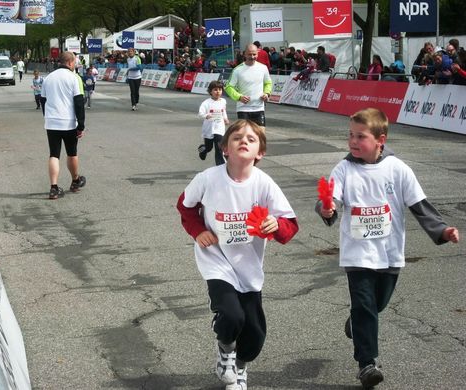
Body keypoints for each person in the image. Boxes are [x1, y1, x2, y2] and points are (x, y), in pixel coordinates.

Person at [315, 108, 460, 389]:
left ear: (381, 139)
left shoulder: (397, 169)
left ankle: (357, 324)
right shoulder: (344, 168)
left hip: (389, 253)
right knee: (365, 304)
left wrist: (442, 230)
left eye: (361, 136)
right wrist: (327, 208)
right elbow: (329, 200)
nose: (353, 142)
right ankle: (367, 363)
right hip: (357, 254)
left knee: (376, 304)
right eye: (350, 135)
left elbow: (420, 206)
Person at [177, 119, 299, 390]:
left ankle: (241, 365)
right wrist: (198, 231)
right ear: (225, 149)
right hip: (216, 260)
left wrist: (276, 225)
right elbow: (185, 207)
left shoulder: (264, 184)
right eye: (237, 138)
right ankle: (225, 348)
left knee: (255, 335)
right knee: (232, 316)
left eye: (251, 139)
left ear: (260, 153)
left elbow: (289, 225)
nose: (244, 141)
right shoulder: (208, 179)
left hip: (248, 266)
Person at [41, 51, 86, 200]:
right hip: (68, 122)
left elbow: (43, 100)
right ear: (70, 62)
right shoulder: (74, 78)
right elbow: (79, 102)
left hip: (52, 121)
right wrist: (81, 125)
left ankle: (53, 188)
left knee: (54, 154)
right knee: (71, 153)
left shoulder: (48, 78)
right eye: (74, 62)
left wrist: (47, 116)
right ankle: (75, 180)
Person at [225, 44, 272, 130]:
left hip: (259, 108)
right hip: (243, 109)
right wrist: (239, 97)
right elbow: (228, 87)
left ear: (257, 54)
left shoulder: (263, 68)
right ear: (244, 54)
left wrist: (267, 93)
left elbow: (268, 83)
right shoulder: (237, 70)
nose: (252, 56)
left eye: (254, 54)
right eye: (249, 54)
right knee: (245, 137)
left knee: (261, 137)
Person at [197, 80, 229, 166]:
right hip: (209, 128)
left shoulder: (223, 101)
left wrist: (225, 118)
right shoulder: (206, 103)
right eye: (215, 89)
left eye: (220, 89)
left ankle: (220, 166)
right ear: (210, 91)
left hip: (219, 128)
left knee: (219, 148)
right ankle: (203, 149)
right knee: (209, 147)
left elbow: (223, 111)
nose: (218, 92)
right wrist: (206, 115)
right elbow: (201, 113)